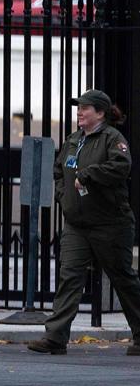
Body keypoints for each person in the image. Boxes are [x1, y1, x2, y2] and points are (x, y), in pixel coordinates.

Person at [28, 89, 140, 355]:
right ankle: (55, 337)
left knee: (123, 279)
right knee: (69, 277)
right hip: (77, 225)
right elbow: (59, 170)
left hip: (110, 224)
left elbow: (122, 167)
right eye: (78, 107)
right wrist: (63, 195)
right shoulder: (74, 140)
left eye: (85, 108)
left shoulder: (112, 139)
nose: (79, 111)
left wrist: (90, 174)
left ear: (99, 113)